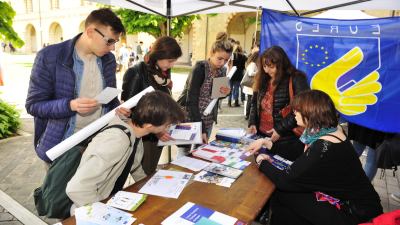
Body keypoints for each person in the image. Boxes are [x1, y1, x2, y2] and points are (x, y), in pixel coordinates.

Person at [248, 90, 383, 225]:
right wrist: (269, 143)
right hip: (360, 202)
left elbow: (285, 179)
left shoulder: (323, 146)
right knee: (288, 197)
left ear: (310, 113)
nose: (294, 113)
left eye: (297, 110)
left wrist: (262, 162)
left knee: (282, 193)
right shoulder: (330, 129)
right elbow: (298, 150)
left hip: (354, 212)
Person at [25, 8, 129, 163]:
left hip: (99, 144)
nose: (113, 48)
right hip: (64, 147)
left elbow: (109, 97)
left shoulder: (108, 60)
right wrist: (70, 105)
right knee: (61, 188)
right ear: (90, 32)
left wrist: (117, 108)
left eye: (115, 42)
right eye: (109, 41)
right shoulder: (49, 56)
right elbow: (33, 106)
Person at [66, 91, 185, 214]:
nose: (168, 128)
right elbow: (77, 188)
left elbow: (134, 164)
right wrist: (104, 212)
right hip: (89, 209)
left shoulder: (134, 133)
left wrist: (151, 187)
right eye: (167, 125)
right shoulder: (117, 140)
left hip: (107, 200)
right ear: (149, 125)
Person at [121, 36, 182, 175]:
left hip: (158, 131)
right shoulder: (136, 72)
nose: (171, 65)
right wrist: (158, 130)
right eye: (170, 61)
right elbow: (128, 111)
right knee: (143, 174)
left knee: (150, 171)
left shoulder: (162, 73)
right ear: (159, 55)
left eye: (174, 61)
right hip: (144, 136)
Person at [248, 46, 309, 161]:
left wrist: (280, 128)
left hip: (286, 138)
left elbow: (303, 109)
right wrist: (252, 122)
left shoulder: (296, 78)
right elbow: (254, 104)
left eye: (271, 66)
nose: (266, 70)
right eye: (264, 66)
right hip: (262, 134)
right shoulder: (263, 78)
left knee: (279, 168)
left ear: (281, 64)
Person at [176, 32, 232, 158]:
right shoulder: (200, 68)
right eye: (219, 58)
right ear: (211, 53)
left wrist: (226, 93)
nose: (222, 63)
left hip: (207, 118)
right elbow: (191, 99)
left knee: (200, 151)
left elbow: (217, 95)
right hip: (190, 115)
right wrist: (199, 127)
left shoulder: (222, 71)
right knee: (184, 151)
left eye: (226, 60)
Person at [242, 50, 259, 119]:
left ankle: (248, 114)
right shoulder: (253, 64)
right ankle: (247, 114)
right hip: (250, 85)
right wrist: (258, 72)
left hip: (250, 86)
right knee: (250, 100)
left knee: (250, 100)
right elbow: (250, 73)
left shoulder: (251, 63)